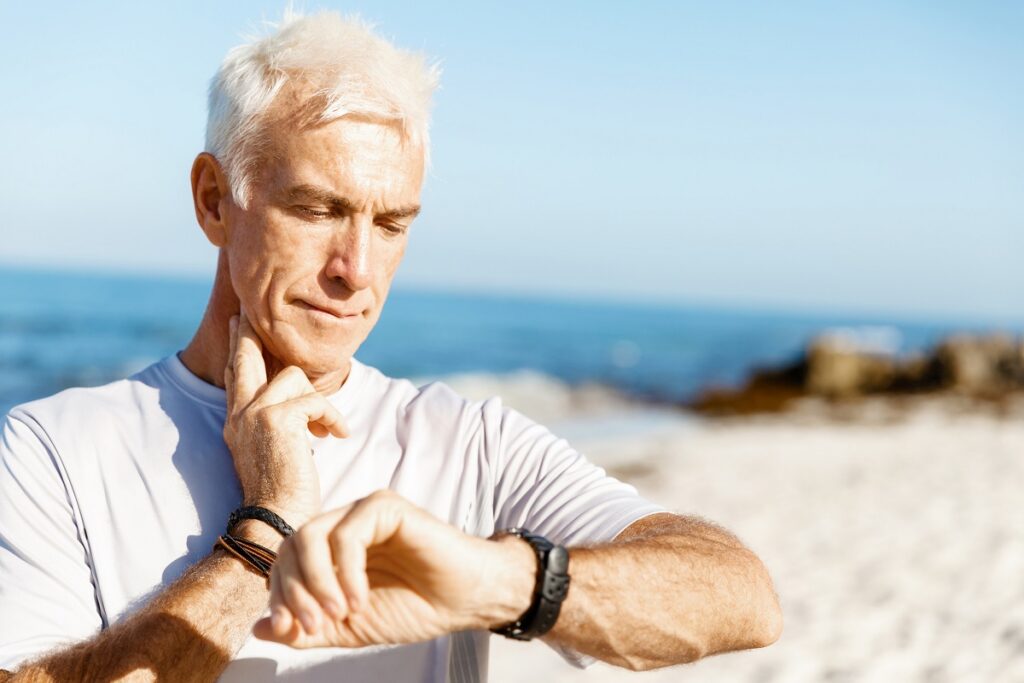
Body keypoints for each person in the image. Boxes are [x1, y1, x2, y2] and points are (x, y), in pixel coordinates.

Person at [0, 9, 782, 682]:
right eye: (316, 209)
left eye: (392, 223)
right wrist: (263, 529)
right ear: (215, 200)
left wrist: (493, 580)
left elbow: (740, 596)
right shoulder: (53, 449)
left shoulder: (468, 442)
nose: (357, 270)